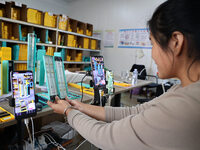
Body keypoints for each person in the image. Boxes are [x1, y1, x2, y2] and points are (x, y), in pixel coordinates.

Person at [47, 0, 200, 149]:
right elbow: (134, 112)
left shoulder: (185, 106)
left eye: (153, 44)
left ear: (176, 42)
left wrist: (68, 111)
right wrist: (81, 107)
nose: (152, 54)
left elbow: (106, 136)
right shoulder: (183, 90)